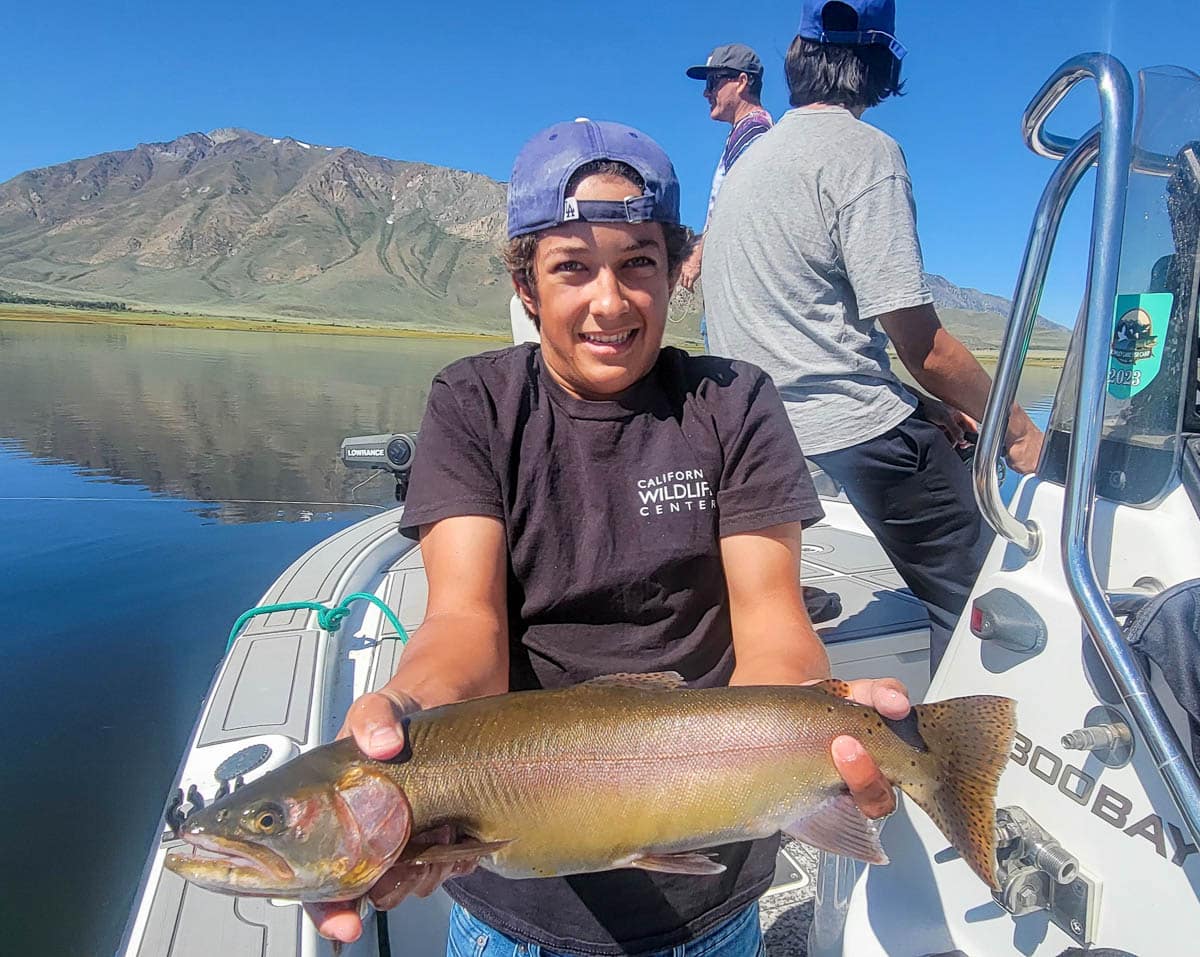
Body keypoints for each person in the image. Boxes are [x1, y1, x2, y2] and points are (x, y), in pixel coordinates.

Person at [307, 118, 912, 953]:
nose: (610, 300)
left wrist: (821, 728)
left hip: (712, 882)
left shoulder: (733, 403)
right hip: (513, 897)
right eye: (571, 268)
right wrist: (403, 718)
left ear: (673, 272)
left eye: (638, 263)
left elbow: (774, 626)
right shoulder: (473, 404)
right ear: (527, 286)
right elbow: (464, 627)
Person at [702, 0, 1045, 671]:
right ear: (881, 67)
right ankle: (968, 762)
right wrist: (1018, 431)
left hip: (758, 433)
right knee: (990, 601)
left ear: (798, 58)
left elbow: (804, 337)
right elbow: (926, 347)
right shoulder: (866, 152)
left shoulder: (752, 164)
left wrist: (926, 409)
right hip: (847, 429)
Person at [679, 43, 774, 315]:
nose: (706, 92)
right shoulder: (745, 132)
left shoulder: (753, 133)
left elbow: (735, 207)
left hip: (741, 284)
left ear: (742, 81)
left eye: (713, 82)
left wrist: (698, 255)